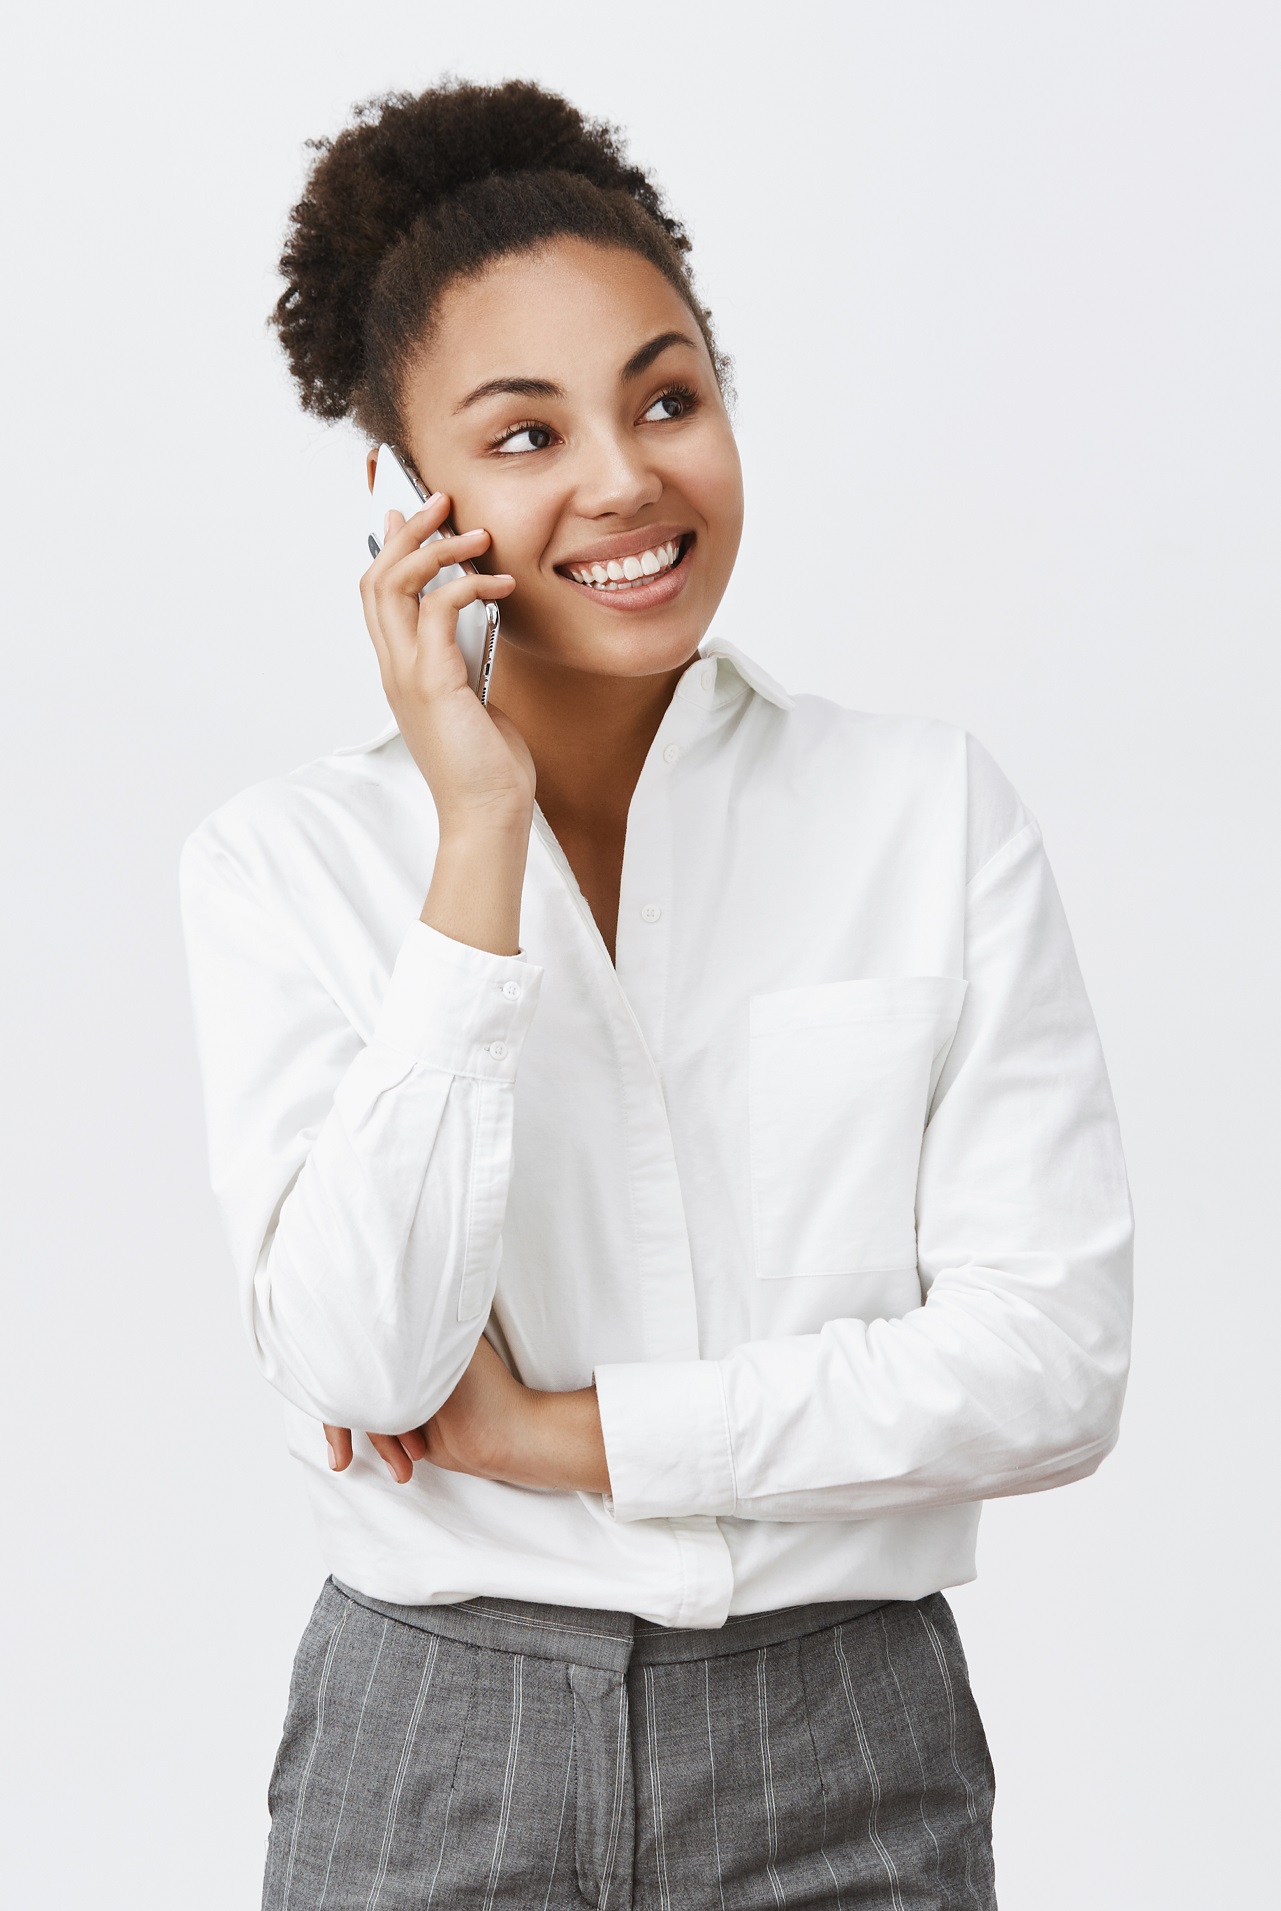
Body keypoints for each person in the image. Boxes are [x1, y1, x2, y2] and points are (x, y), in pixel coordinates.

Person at [178, 77, 1134, 1911]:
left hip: (844, 1732)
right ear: (405, 495)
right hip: (437, 1734)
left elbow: (1047, 1370)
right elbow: (362, 1361)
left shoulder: (922, 812)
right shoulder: (279, 867)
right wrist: (477, 832)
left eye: (667, 397)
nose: (626, 477)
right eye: (523, 434)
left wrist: (563, 1438)